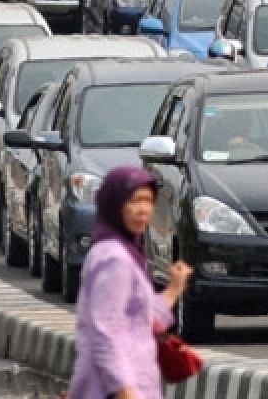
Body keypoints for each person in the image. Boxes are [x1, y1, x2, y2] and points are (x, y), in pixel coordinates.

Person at [69, 166, 192, 399]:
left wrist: (174, 289)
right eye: (135, 201)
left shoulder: (124, 252)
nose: (143, 209)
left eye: (149, 200)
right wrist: (124, 391)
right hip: (116, 389)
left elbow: (139, 317)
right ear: (115, 205)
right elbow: (105, 332)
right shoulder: (114, 258)